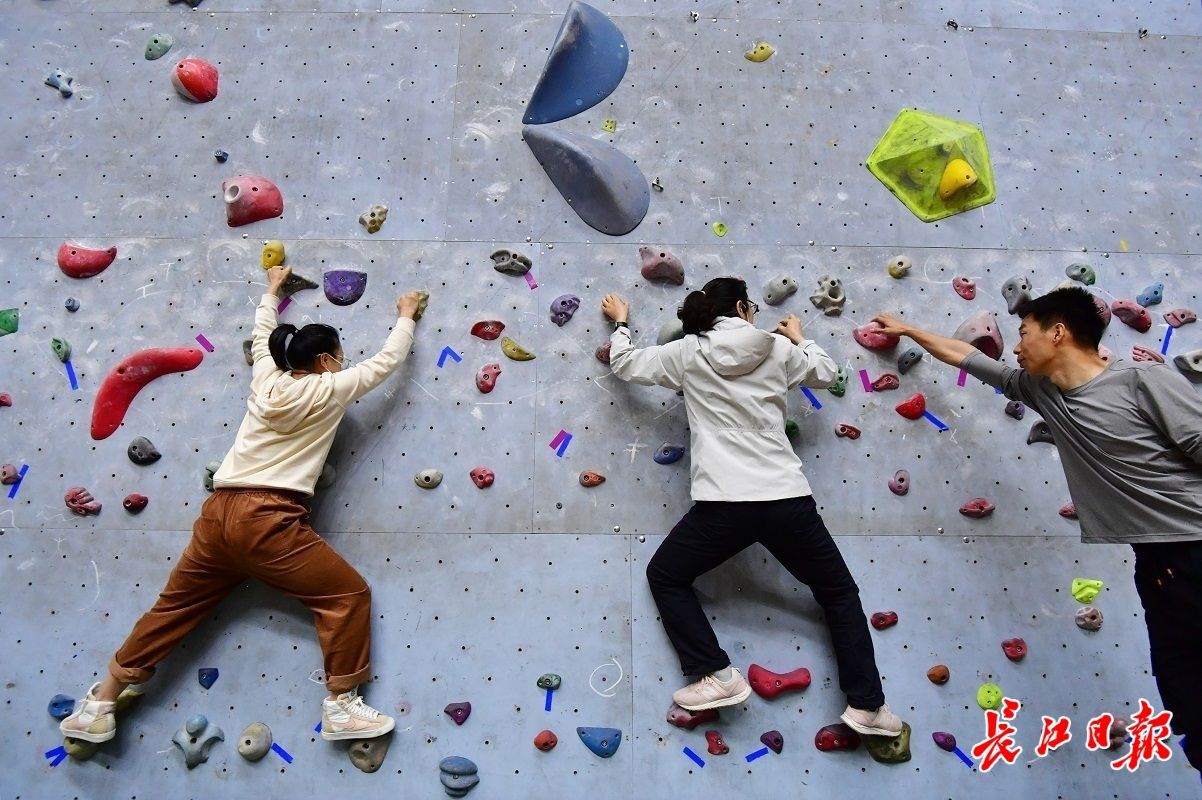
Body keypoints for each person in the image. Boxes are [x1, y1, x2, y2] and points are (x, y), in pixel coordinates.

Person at [61, 265, 423, 745]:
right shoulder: (331, 387)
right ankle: (341, 706)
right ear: (324, 360)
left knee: (173, 608)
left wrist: (272, 289)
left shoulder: (266, 378)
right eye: (340, 356)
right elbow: (388, 360)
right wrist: (406, 314)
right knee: (346, 596)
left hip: (218, 513)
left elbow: (262, 334)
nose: (344, 362)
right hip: (269, 519)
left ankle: (99, 705)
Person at [873, 286, 1202, 772]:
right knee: (1190, 706)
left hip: (1194, 547)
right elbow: (966, 356)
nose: (1016, 346)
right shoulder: (1042, 390)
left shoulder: (1141, 380)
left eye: (1024, 333)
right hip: (1157, 562)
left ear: (1058, 332)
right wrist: (908, 330)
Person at [602, 277, 904, 737]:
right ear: (744, 308)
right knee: (839, 594)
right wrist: (800, 337)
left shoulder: (687, 352)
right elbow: (826, 372)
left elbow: (624, 364)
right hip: (786, 499)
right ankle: (867, 706)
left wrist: (622, 323)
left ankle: (716, 674)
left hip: (724, 504)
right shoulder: (778, 349)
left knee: (666, 576)